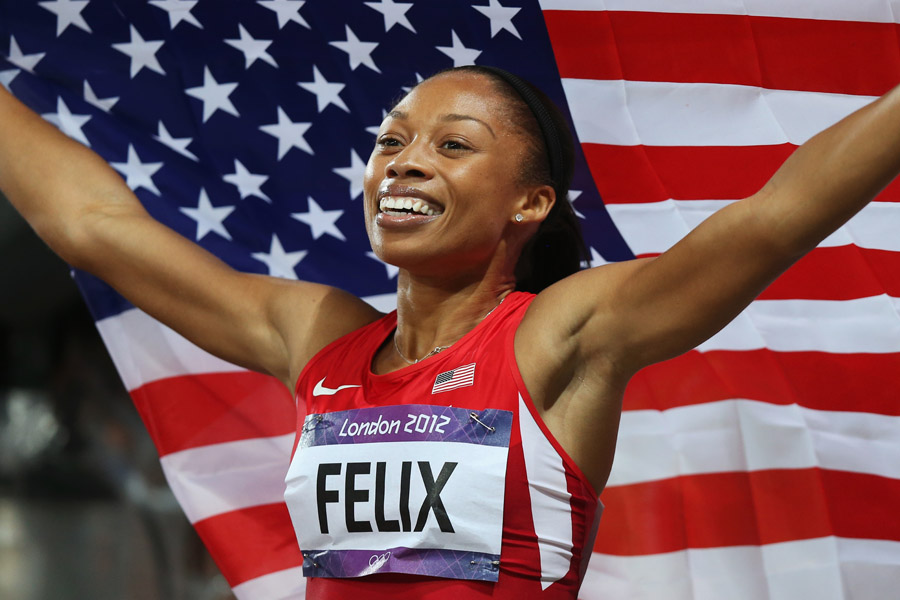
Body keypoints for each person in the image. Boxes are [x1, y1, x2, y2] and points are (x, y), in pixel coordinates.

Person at [1, 64, 898, 599]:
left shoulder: (560, 336)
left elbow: (769, 221)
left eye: (452, 145)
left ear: (530, 204)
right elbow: (95, 227)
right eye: (392, 141)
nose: (405, 163)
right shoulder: (318, 337)